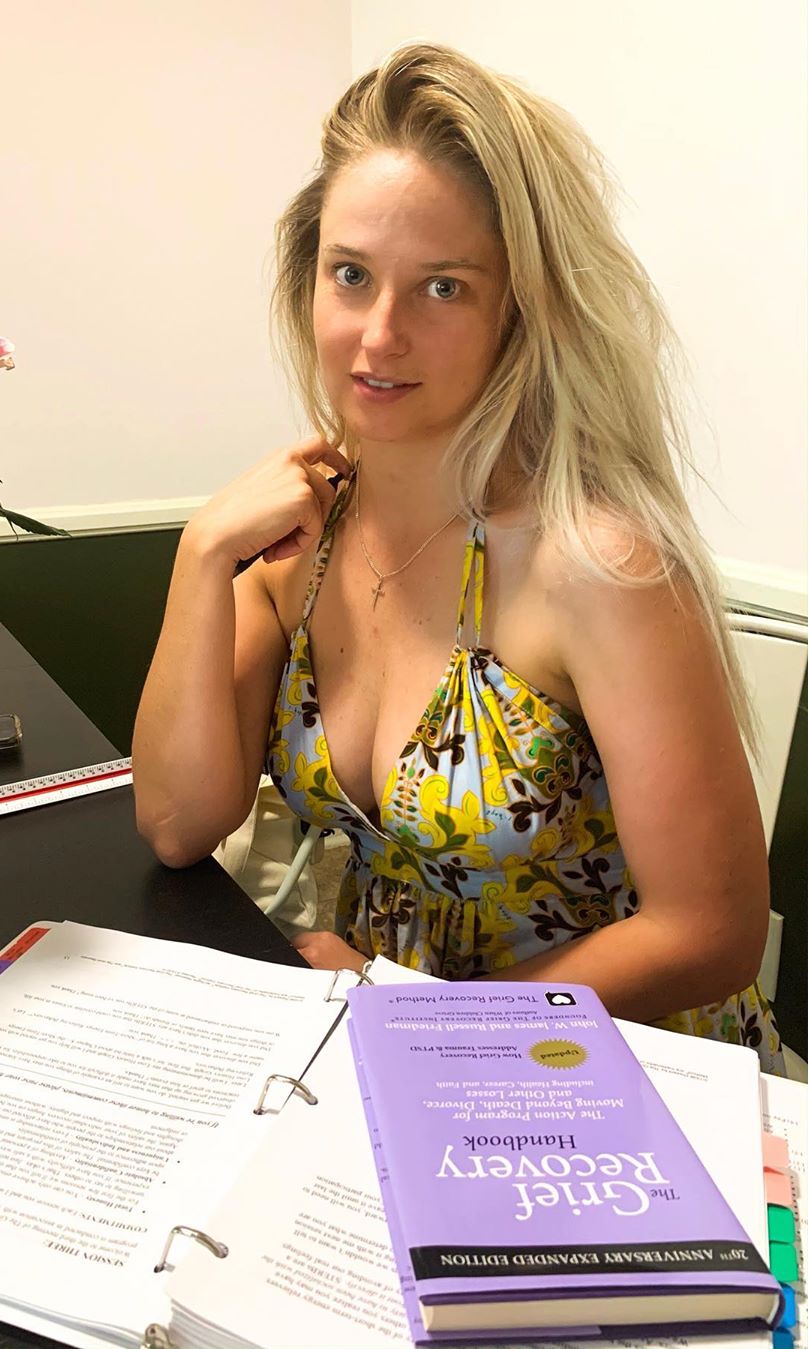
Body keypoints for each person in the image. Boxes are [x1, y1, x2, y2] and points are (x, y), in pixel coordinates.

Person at [132, 44, 784, 1072]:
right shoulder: (303, 545)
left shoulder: (597, 563)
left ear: (518, 311)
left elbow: (710, 933)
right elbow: (177, 823)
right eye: (351, 275)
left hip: (604, 1067)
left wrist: (416, 1018)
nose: (379, 335)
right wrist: (201, 554)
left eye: (442, 287)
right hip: (386, 1050)